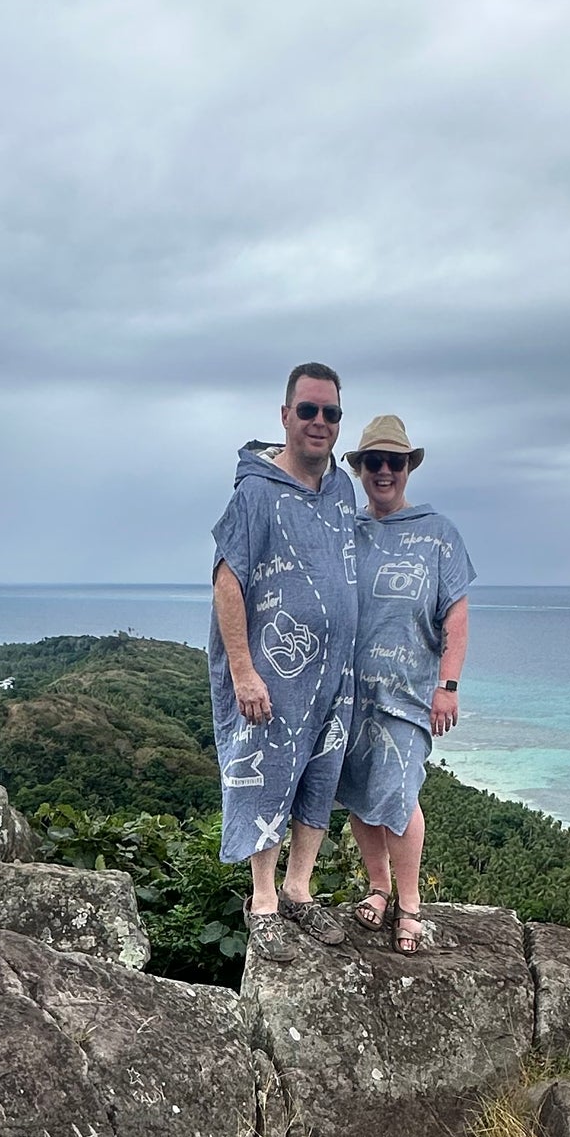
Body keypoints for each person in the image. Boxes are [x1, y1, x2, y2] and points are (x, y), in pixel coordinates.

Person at [208, 362, 360, 945]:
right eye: (309, 411)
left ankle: (299, 889)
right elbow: (228, 580)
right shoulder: (255, 491)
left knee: (318, 778)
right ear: (285, 416)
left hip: (333, 674)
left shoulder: (342, 488)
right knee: (267, 778)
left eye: (331, 413)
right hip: (274, 670)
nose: (320, 423)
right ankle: (264, 902)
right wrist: (243, 672)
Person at [336, 413, 474, 953]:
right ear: (362, 468)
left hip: (410, 693)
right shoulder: (351, 531)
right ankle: (377, 888)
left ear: (408, 467)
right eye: (375, 462)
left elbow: (456, 617)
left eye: (395, 461)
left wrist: (450, 685)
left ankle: (410, 907)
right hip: (350, 692)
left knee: (398, 793)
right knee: (358, 793)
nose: (385, 471)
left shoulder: (439, 533)